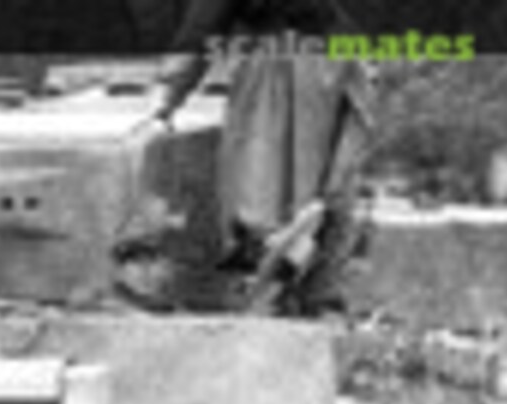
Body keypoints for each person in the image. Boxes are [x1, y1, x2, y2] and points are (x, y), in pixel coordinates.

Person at [153, 0, 376, 316]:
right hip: (344, 63)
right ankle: (312, 292)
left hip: (292, 65)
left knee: (261, 188)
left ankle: (273, 286)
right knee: (327, 187)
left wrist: (167, 97)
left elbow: (202, 26)